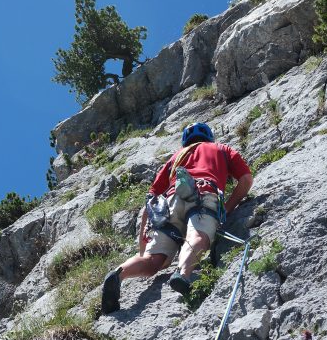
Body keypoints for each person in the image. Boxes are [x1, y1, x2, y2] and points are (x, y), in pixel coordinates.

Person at [101, 122, 253, 314]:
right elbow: (246, 179)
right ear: (209, 137)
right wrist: (228, 209)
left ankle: (119, 274)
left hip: (171, 201)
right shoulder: (221, 149)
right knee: (197, 236)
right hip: (203, 193)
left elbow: (152, 197)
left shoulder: (176, 157)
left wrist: (142, 238)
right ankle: (183, 274)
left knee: (154, 260)